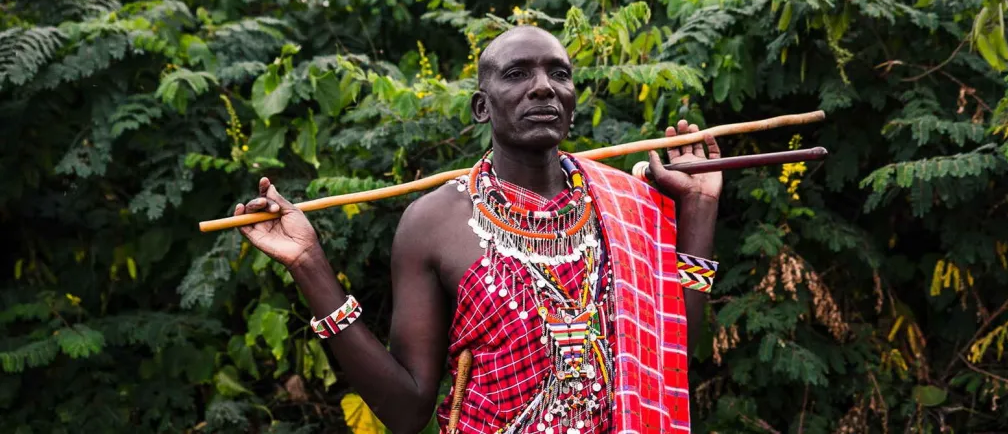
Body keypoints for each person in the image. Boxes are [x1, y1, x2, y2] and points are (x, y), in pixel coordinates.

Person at [233, 26, 723, 434]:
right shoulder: (434, 222)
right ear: (481, 108)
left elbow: (670, 360)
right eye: (517, 74)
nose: (542, 87)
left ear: (572, 103)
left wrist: (699, 209)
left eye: (559, 74)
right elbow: (406, 411)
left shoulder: (623, 205)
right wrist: (309, 265)